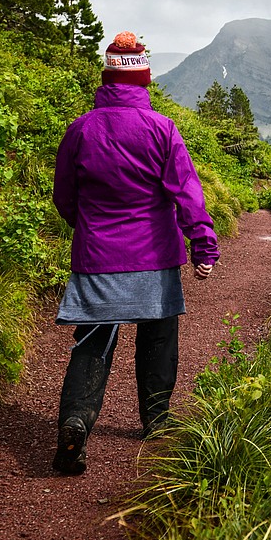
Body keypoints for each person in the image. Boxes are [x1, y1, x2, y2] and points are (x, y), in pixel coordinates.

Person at [51, 31, 218, 475]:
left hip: (97, 257)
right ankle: (157, 422)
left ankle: (76, 419)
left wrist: (88, 228)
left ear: (107, 77)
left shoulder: (82, 128)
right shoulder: (163, 129)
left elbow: (64, 196)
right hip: (154, 255)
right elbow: (186, 192)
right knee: (158, 336)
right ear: (144, 79)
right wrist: (202, 243)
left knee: (93, 340)